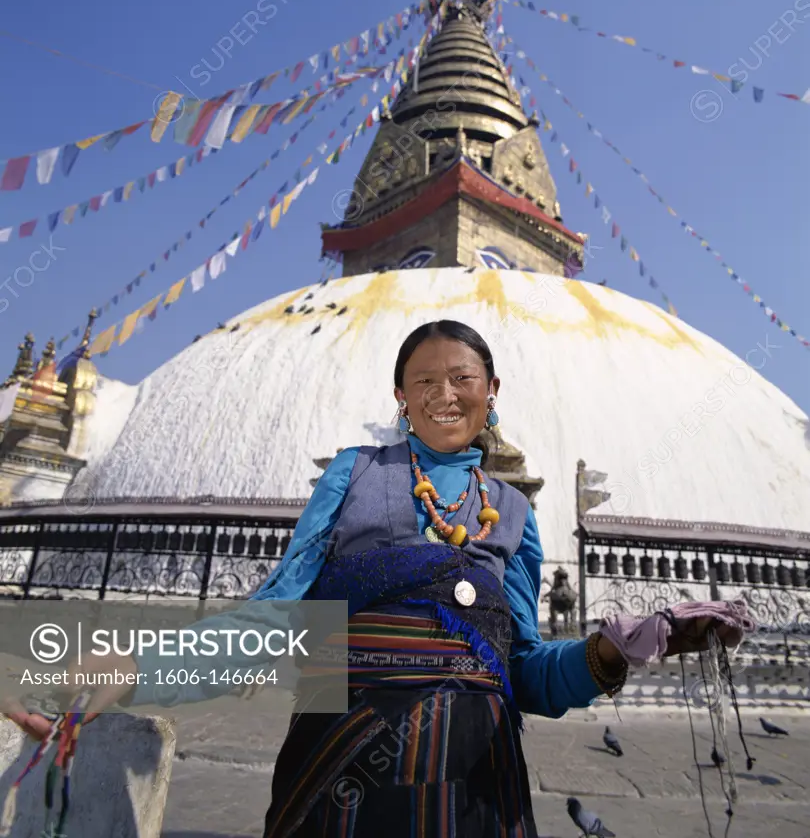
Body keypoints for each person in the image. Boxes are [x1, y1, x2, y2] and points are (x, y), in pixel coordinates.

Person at [4, 319, 742, 837]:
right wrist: (135, 671)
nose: (444, 395)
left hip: (480, 777)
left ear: (492, 389)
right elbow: (277, 619)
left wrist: (618, 651)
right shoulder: (355, 474)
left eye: (462, 379)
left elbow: (524, 675)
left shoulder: (512, 510)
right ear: (401, 397)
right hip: (345, 748)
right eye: (424, 381)